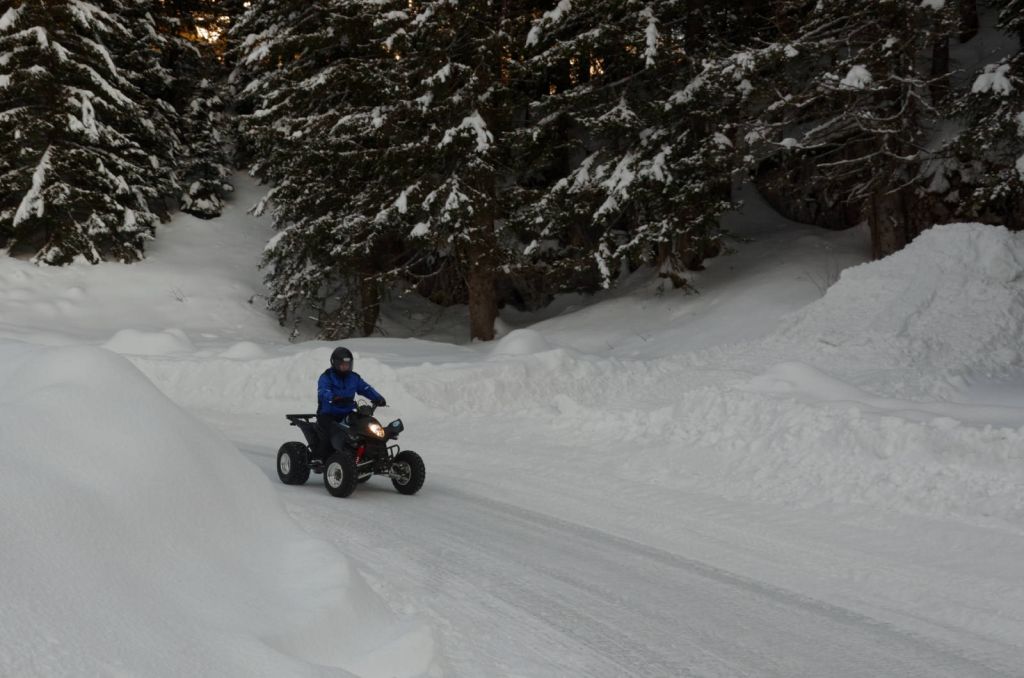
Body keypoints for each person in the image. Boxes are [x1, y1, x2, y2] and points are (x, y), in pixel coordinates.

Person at [316, 347, 386, 455]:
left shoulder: (354, 378)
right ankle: (319, 458)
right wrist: (333, 397)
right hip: (327, 414)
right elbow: (323, 391)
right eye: (343, 364)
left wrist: (378, 398)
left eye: (348, 364)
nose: (346, 367)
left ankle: (366, 453)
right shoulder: (326, 377)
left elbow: (365, 388)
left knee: (364, 427)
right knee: (331, 433)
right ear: (335, 363)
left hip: (347, 413)